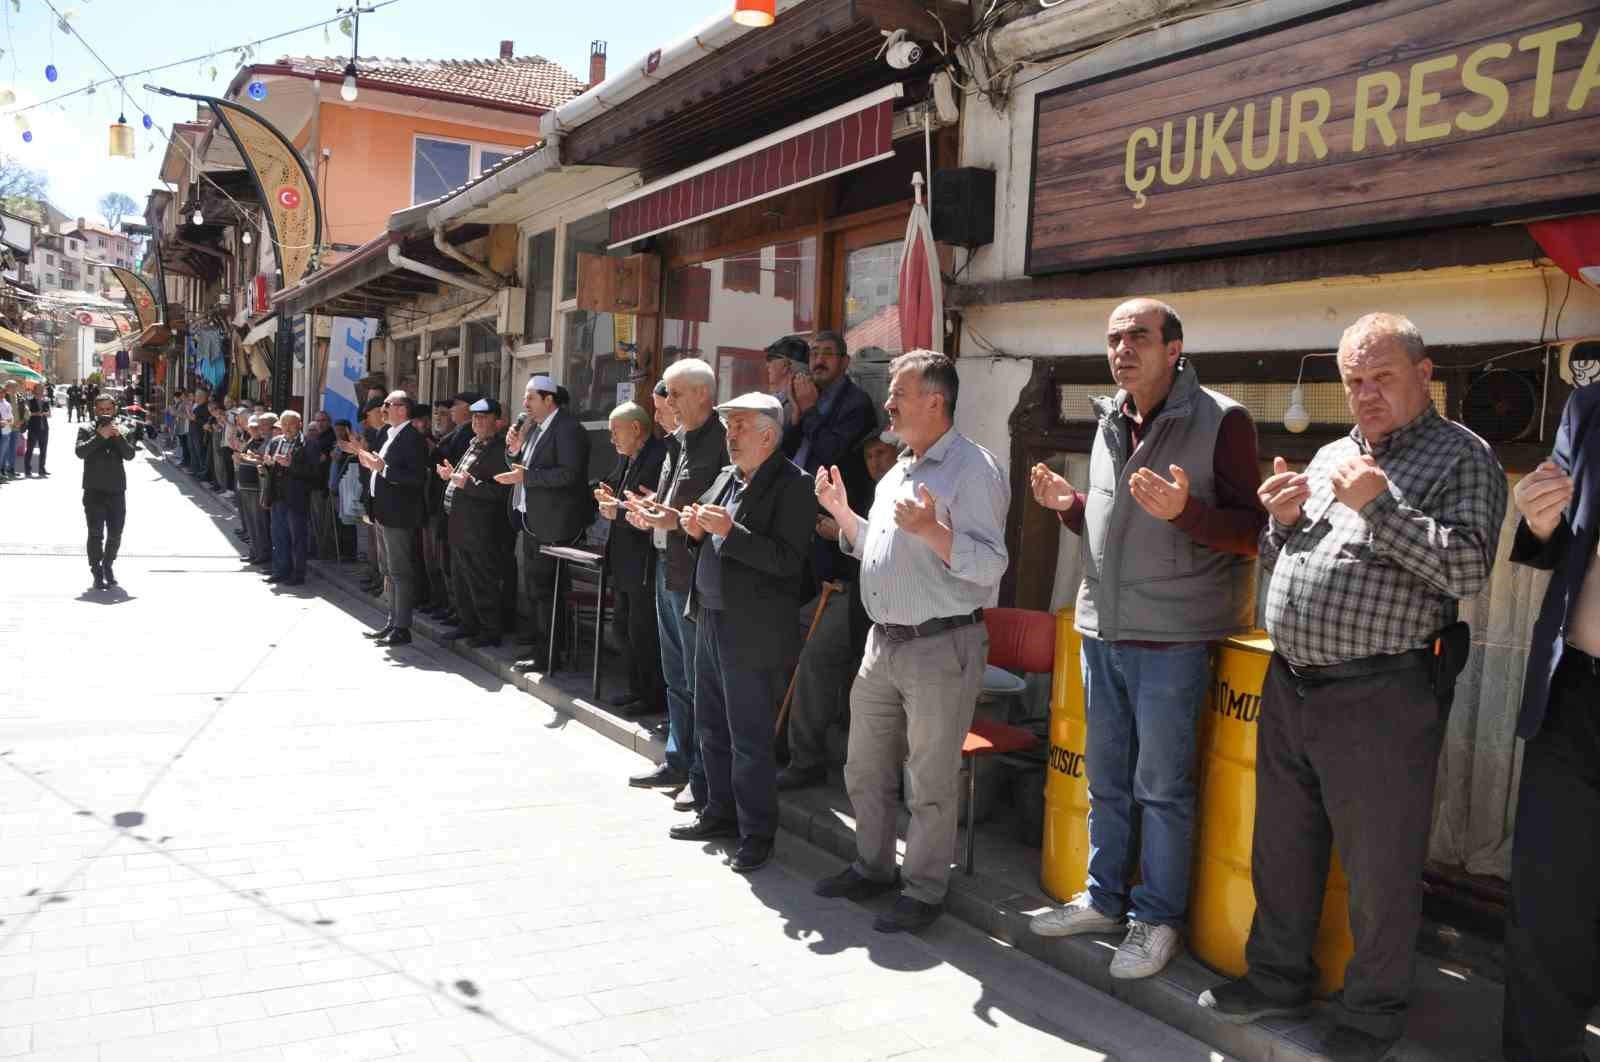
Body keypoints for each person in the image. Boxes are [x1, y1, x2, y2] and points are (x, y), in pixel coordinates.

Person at [1196, 313, 1506, 1062]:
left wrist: (1380, 504)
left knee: (1379, 868)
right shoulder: (1336, 450)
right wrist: (1281, 526)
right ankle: (1276, 979)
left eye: (1382, 377)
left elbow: (1467, 569)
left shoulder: (1463, 458)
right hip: (1294, 681)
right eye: (1354, 380)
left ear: (1424, 374)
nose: (1365, 394)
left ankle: (1371, 1016)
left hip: (1384, 693)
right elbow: (1298, 556)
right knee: (1283, 845)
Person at [1026, 299, 1266, 980]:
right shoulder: (1109, 419)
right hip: (1104, 626)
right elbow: (1116, 528)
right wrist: (1068, 508)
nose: (1122, 349)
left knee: (1161, 788)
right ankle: (1104, 899)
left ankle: (1156, 920)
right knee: (1107, 780)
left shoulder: (1223, 420)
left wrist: (1188, 513)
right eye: (1113, 339)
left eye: (1138, 337)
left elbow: (1256, 532)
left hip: (1174, 637)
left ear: (1176, 347)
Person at [812, 351, 1009, 934]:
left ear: (935, 401)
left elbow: (990, 566)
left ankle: (923, 890)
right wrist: (844, 514)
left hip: (940, 644)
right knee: (864, 767)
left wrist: (934, 531)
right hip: (883, 645)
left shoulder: (973, 470)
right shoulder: (900, 469)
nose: (888, 403)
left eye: (899, 393)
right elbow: (882, 546)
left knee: (929, 780)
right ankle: (871, 867)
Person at [667, 392, 816, 874]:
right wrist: (693, 530)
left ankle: (756, 833)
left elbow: (788, 564)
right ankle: (719, 812)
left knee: (749, 737)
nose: (729, 436)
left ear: (768, 435)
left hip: (751, 629)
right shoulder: (729, 477)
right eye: (728, 426)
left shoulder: (794, 485)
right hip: (710, 613)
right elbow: (705, 534)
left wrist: (732, 533)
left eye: (739, 427)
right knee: (710, 724)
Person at [1502, 382, 1600, 1062]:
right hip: (1574, 688)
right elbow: (1557, 537)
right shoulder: (1589, 406)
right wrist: (1538, 521)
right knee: (1549, 899)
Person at [620, 359, 727, 808]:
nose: (669, 403)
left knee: (699, 680)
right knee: (675, 675)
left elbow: (719, 510)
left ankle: (702, 775)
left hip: (695, 575)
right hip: (667, 566)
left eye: (676, 394)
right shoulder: (677, 444)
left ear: (702, 394)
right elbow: (673, 502)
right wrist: (649, 515)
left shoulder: (721, 441)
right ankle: (677, 759)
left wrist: (675, 520)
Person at [779, 429, 900, 790]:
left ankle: (806, 758)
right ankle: (779, 741)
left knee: (815, 659)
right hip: (838, 590)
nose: (876, 462)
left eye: (882, 454)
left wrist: (843, 534)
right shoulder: (865, 491)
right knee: (781, 638)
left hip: (869, 602)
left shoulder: (903, 491)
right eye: (870, 457)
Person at [496, 375, 594, 673]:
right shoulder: (537, 429)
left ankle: (550, 654)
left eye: (530, 398)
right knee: (538, 590)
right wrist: (513, 449)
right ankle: (543, 648)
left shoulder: (567, 429)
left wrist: (527, 476)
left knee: (548, 591)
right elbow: (521, 467)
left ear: (549, 400)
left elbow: (568, 475)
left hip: (556, 524)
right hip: (532, 521)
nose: (524, 404)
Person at [594, 401, 668, 716]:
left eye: (615, 432)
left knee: (642, 632)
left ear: (636, 429)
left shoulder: (656, 456)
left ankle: (650, 695)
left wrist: (617, 510)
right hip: (623, 558)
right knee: (623, 628)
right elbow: (616, 488)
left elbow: (647, 507)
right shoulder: (628, 456)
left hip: (643, 560)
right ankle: (637, 688)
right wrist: (605, 494)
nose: (612, 439)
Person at [439, 398, 513, 647]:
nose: (478, 422)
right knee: (461, 580)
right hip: (460, 524)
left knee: (482, 581)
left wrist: (466, 484)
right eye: (475, 417)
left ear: (498, 422)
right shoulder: (473, 445)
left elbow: (502, 492)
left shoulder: (501, 450)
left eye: (484, 417)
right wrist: (451, 477)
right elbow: (463, 479)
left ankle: (490, 631)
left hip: (482, 528)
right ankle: (467, 624)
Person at [359, 391, 430, 647]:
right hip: (384, 512)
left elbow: (415, 478)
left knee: (400, 571)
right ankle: (392, 621)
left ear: (403, 409)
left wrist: (383, 469)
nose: (383, 408)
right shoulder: (391, 435)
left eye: (388, 405)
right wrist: (371, 464)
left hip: (399, 515)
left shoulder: (412, 438)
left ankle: (402, 626)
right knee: (388, 570)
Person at [74, 392, 137, 590]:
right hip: (94, 490)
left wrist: (118, 436)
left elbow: (129, 454)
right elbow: (80, 452)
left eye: (108, 409)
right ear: (95, 410)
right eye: (101, 410)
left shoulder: (124, 428)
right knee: (95, 533)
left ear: (114, 409)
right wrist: (100, 436)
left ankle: (108, 565)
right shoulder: (86, 429)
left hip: (117, 489)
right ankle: (96, 570)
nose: (105, 413)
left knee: (115, 533)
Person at [263, 411, 321, 587]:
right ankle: (280, 570)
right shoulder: (274, 443)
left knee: (297, 537)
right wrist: (266, 466)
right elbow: (269, 470)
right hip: (278, 497)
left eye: (292, 424)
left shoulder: (309, 445)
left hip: (296, 498)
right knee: (279, 535)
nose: (287, 428)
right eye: (284, 424)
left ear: (300, 424)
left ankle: (298, 573)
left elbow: (315, 473)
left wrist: (291, 465)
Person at [235, 413, 274, 568]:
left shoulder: (269, 441)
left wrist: (246, 458)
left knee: (259, 522)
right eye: (255, 426)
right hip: (245, 485)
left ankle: (262, 553)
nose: (259, 429)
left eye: (261, 426)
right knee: (250, 522)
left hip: (256, 486)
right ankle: (254, 551)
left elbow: (261, 459)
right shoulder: (252, 440)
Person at [764, 336, 810, 428]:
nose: (767, 365)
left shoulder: (792, 406)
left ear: (785, 365)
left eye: (770, 359)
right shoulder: (781, 401)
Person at [23, 383, 50, 477]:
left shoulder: (46, 400)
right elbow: (27, 414)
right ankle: (27, 469)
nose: (42, 390)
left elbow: (49, 413)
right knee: (30, 449)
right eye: (40, 389)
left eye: (42, 389)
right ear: (35, 390)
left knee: (43, 449)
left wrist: (47, 414)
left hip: (44, 428)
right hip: (33, 428)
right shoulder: (30, 400)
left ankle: (41, 468)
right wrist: (35, 413)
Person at [0, 381, 17, 480]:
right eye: (0, 392)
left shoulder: (7, 404)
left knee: (2, 452)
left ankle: (2, 470)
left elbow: (11, 418)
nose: (1, 394)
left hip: (5, 431)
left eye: (3, 392)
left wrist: (8, 422)